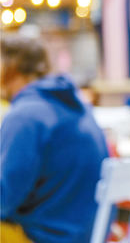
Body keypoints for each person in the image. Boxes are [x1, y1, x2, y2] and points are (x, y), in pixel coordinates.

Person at [0, 36, 109, 242]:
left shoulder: (25, 115)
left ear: (10, 66)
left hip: (46, 237)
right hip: (85, 234)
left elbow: (4, 201)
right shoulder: (74, 104)